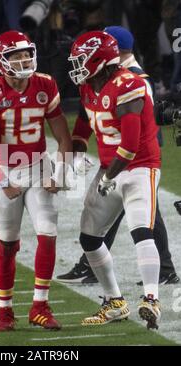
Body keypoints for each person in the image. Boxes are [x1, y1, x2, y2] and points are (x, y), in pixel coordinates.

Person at [57, 26, 180, 286]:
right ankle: (162, 268)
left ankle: (95, 265)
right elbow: (85, 116)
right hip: (115, 153)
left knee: (135, 212)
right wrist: (77, 152)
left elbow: (141, 124)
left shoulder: (132, 79)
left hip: (135, 152)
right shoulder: (97, 78)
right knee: (136, 212)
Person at [0, 30, 72, 331]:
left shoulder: (45, 84)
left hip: (38, 166)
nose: (24, 59)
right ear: (2, 61)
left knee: (48, 233)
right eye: (16, 55)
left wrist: (61, 173)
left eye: (27, 53)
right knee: (8, 244)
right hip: (4, 167)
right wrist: (2, 179)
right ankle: (5, 309)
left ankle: (40, 305)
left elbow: (62, 135)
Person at [67, 30, 161, 330]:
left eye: (82, 59)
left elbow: (131, 146)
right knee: (89, 237)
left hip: (139, 167)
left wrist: (108, 176)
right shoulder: (88, 86)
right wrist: (78, 150)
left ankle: (151, 299)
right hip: (110, 167)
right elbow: (83, 125)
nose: (77, 65)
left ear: (99, 59)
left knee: (141, 231)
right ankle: (115, 301)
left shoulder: (128, 84)